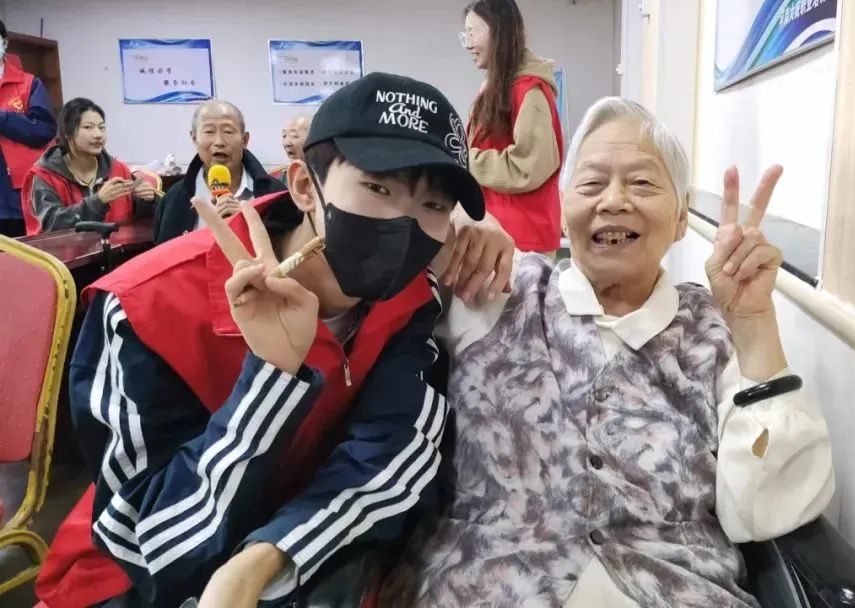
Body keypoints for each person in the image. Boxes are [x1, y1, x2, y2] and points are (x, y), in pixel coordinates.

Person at [35, 72, 513, 608]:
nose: (404, 224)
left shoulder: (411, 299)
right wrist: (271, 381)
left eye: (434, 206)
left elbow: (395, 450)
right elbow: (147, 536)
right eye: (379, 189)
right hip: (129, 580)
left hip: (295, 556)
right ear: (306, 186)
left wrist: (271, 555)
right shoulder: (143, 305)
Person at [381, 97, 836, 607]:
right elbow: (373, 260)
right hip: (481, 585)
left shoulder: (711, 329)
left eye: (641, 184)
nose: (614, 201)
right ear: (563, 209)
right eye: (592, 183)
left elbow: (768, 511)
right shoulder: (497, 287)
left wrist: (753, 322)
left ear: (681, 218)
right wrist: (457, 220)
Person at [462, 0, 563, 254]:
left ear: (499, 31)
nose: (468, 44)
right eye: (465, 35)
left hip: (522, 241)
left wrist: (465, 160)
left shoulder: (529, 91)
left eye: (473, 33)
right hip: (497, 232)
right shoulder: (496, 88)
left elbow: (528, 166)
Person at [154, 100, 286, 244]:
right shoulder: (174, 199)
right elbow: (162, 253)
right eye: (209, 132)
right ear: (194, 139)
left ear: (244, 140)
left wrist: (246, 225)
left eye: (228, 132)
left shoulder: (275, 194)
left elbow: (289, 250)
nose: (219, 142)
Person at [21, 97, 156, 235]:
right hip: (66, 249)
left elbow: (140, 222)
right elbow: (51, 223)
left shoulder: (118, 169)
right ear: (67, 133)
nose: (98, 135)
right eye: (88, 127)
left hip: (117, 247)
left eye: (101, 127)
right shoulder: (45, 176)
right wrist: (98, 201)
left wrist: (146, 201)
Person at [0, 19, 57, 237]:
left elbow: (43, 130)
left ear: (4, 43)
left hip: (18, 196)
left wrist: (3, 119)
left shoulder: (29, 84)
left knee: (21, 254)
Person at [269, 114, 311, 180]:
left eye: (294, 136)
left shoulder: (325, 177)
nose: (286, 143)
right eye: (284, 136)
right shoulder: (275, 178)